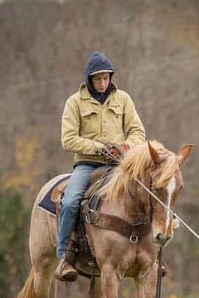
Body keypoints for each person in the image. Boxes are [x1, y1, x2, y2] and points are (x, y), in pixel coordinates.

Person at [55, 51, 146, 281]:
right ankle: (65, 255)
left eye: (106, 78)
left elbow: (138, 131)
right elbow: (68, 140)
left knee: (146, 193)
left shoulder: (123, 99)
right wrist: (98, 147)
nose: (103, 83)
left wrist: (125, 147)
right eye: (98, 79)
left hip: (119, 165)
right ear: (89, 79)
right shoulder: (74, 102)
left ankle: (152, 253)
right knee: (70, 201)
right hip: (87, 164)